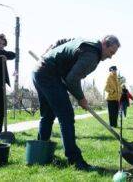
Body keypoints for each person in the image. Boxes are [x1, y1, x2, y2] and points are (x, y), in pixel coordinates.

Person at [32, 35, 120, 170]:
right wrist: (81, 98)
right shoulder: (92, 56)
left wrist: (46, 56)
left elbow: (59, 41)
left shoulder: (85, 42)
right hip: (48, 75)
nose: (110, 57)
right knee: (66, 116)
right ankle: (75, 160)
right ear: (104, 44)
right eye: (110, 52)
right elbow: (71, 79)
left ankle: (40, 154)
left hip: (39, 71)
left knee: (48, 115)